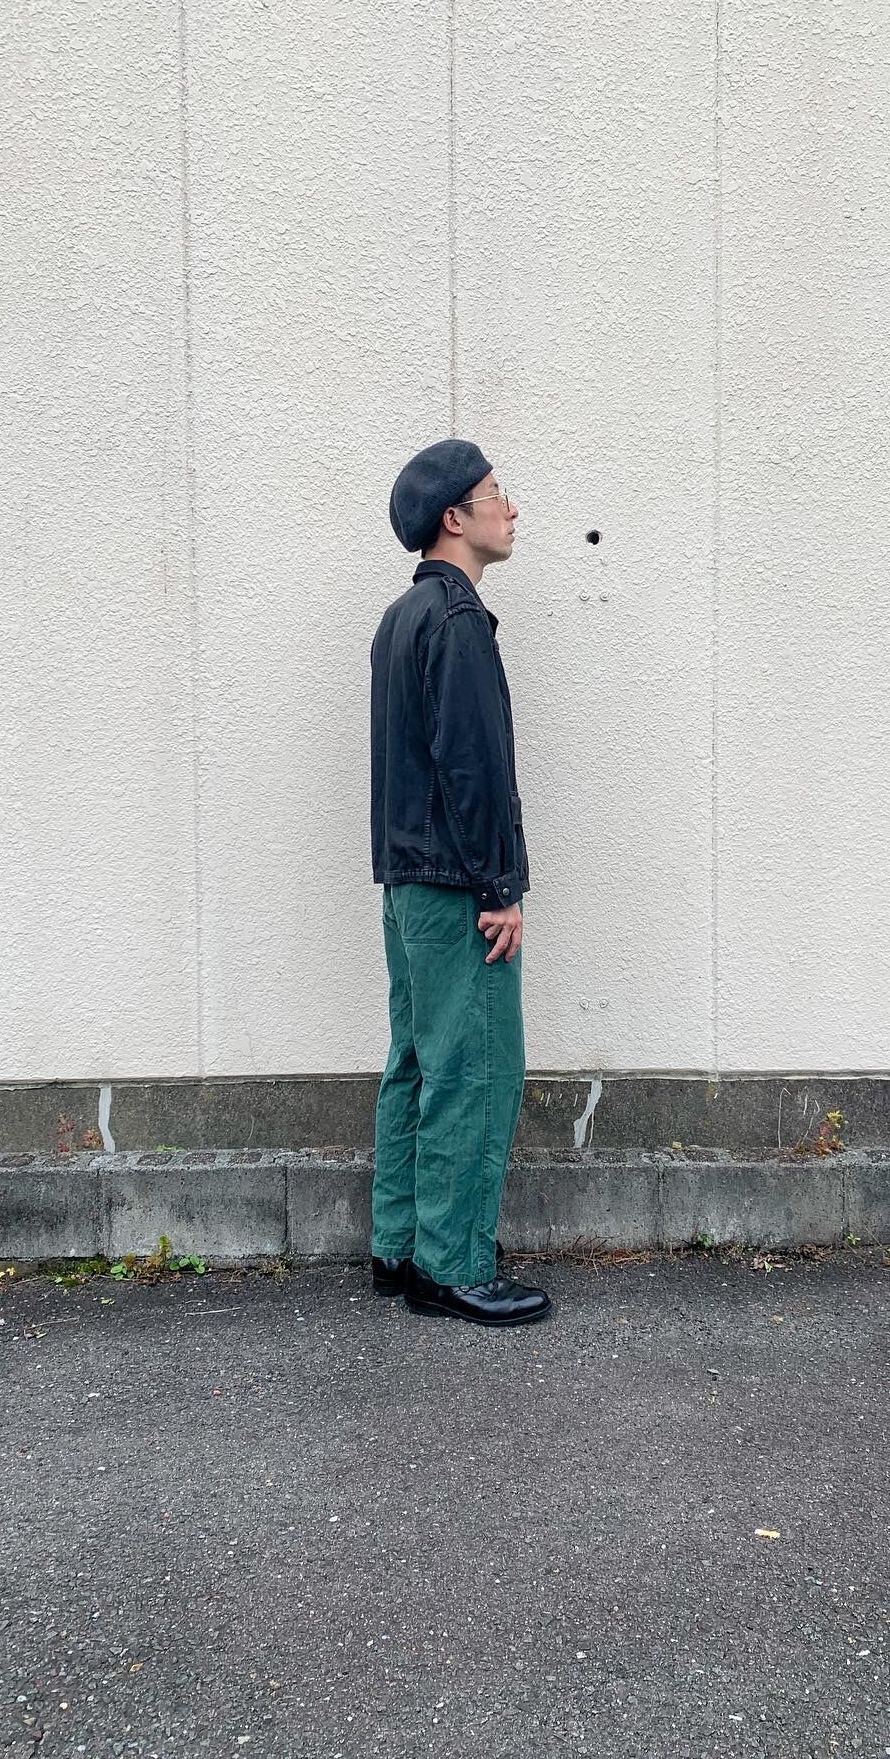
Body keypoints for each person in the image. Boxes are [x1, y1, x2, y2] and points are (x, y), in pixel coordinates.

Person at [368, 438, 552, 1327]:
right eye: (495, 495)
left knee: (416, 1062)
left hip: (408, 885)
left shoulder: (400, 619)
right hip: (455, 887)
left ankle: (400, 1247)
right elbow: (471, 767)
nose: (511, 510)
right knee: (476, 1070)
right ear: (455, 517)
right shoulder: (457, 619)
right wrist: (499, 887)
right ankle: (453, 1266)